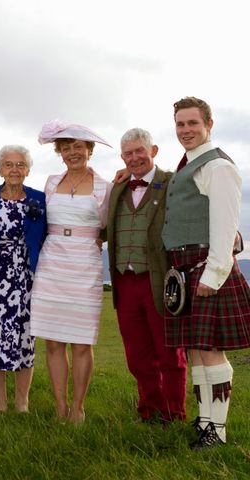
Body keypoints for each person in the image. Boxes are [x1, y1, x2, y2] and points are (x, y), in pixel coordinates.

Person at [162, 96, 250, 448]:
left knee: (212, 350)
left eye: (193, 123)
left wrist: (214, 275)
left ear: (209, 125)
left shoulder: (218, 167)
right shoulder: (189, 165)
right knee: (196, 350)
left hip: (206, 267)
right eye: (180, 124)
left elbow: (227, 228)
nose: (186, 130)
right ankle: (205, 422)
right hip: (185, 266)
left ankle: (219, 431)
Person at [29, 121, 112, 424]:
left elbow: (108, 227)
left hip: (85, 264)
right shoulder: (51, 183)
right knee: (52, 341)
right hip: (52, 263)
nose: (72, 152)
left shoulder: (105, 186)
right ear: (59, 152)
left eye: (78, 146)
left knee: (81, 342)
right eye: (66, 147)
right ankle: (60, 405)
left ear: (89, 150)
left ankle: (78, 406)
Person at [106, 128, 187, 423]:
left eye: (139, 151)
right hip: (124, 282)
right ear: (122, 157)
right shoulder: (117, 186)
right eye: (128, 153)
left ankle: (174, 414)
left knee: (169, 353)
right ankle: (149, 410)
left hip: (160, 280)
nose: (134, 157)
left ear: (153, 150)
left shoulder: (172, 182)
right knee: (137, 356)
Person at [0, 145, 47, 412]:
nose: (14, 169)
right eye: (8, 164)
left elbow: (48, 234)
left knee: (25, 336)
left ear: (28, 169)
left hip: (26, 276)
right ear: (0, 169)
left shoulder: (39, 198)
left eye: (20, 164)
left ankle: (22, 402)